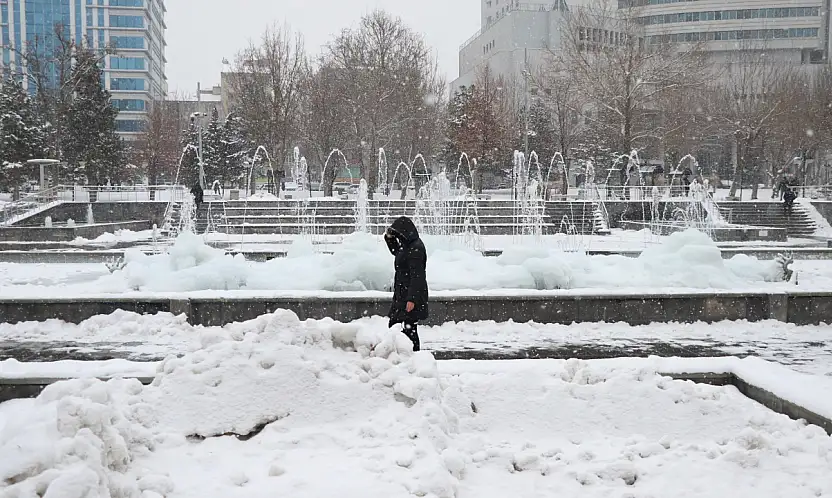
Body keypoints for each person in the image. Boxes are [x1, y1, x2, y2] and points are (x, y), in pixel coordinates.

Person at [384, 216, 429, 352]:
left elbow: (417, 276)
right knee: (398, 325)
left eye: (398, 234)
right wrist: (389, 238)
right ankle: (405, 353)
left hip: (410, 294)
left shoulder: (416, 248)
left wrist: (412, 299)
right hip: (402, 292)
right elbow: (396, 252)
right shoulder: (407, 245)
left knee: (408, 327)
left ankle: (412, 355)